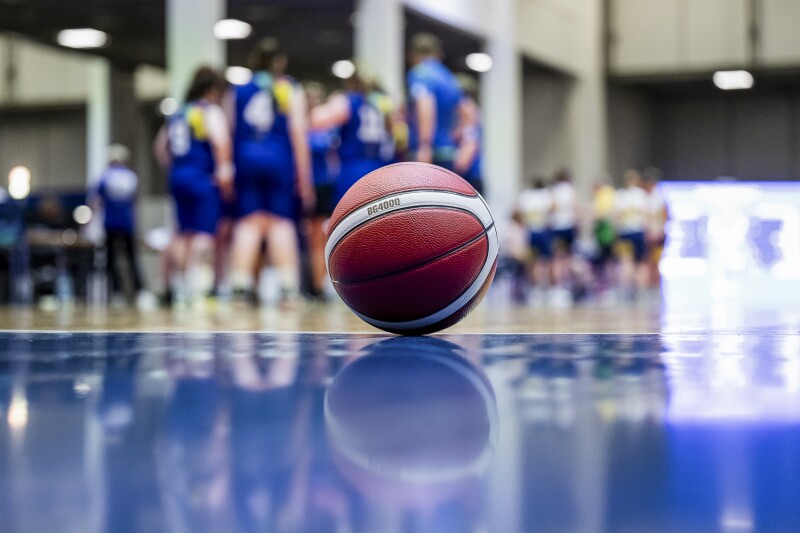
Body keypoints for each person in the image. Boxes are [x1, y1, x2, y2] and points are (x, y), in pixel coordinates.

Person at [226, 39, 314, 306]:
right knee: (280, 223)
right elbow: (299, 133)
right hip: (278, 160)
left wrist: (230, 167)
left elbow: (231, 131)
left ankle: (240, 289)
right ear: (280, 62)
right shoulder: (288, 88)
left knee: (248, 223)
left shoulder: (239, 89)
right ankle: (287, 289)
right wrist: (305, 176)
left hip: (246, 159)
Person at [154, 66, 233, 306]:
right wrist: (224, 174)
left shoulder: (179, 113)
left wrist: (178, 168)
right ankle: (201, 286)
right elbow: (221, 144)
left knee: (181, 233)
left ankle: (174, 284)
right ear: (212, 90)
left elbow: (160, 148)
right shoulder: (208, 111)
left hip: (179, 176)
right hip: (202, 178)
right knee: (204, 233)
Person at [309, 66, 392, 204]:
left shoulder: (348, 101)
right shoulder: (384, 103)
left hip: (354, 169)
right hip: (380, 170)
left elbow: (316, 120)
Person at [91, 144, 153, 308]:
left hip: (110, 223)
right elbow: (135, 203)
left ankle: (116, 293)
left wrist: (91, 225)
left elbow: (96, 202)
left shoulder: (105, 177)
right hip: (127, 223)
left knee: (111, 259)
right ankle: (140, 292)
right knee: (132, 258)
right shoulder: (131, 177)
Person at [406, 33, 463, 169]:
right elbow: (468, 113)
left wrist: (424, 145)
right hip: (448, 151)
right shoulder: (449, 77)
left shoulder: (420, 73)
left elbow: (425, 105)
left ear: (413, 54)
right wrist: (453, 136)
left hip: (430, 153)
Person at [305, 82, 338, 301]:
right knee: (313, 237)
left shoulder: (327, 128)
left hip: (325, 184)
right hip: (310, 184)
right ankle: (316, 285)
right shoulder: (301, 127)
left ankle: (322, 285)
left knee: (323, 236)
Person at [613, 169, 649, 299]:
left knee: (626, 261)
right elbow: (646, 215)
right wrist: (647, 232)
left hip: (625, 232)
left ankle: (626, 290)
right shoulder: (641, 195)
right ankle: (640, 290)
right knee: (640, 262)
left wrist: (616, 233)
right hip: (638, 231)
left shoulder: (621, 195)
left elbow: (617, 216)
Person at [517, 177, 553, 304]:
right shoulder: (545, 195)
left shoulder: (526, 196)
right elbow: (554, 208)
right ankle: (546, 288)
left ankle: (534, 289)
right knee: (546, 260)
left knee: (532, 261)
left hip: (530, 231)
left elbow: (519, 213)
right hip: (542, 230)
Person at [549, 169, 580, 307]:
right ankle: (566, 286)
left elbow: (552, 208)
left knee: (556, 258)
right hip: (568, 226)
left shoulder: (554, 191)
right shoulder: (571, 190)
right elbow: (575, 209)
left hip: (557, 226)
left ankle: (557, 288)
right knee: (567, 258)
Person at [453, 73, 483, 194]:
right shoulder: (468, 114)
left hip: (469, 180)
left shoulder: (469, 109)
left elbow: (467, 153)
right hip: (467, 179)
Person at [643, 167, 668, 291]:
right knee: (649, 262)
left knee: (656, 261)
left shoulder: (658, 198)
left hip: (657, 234)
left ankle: (657, 287)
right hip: (649, 234)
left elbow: (663, 217)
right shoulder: (647, 198)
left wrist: (659, 231)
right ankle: (651, 287)